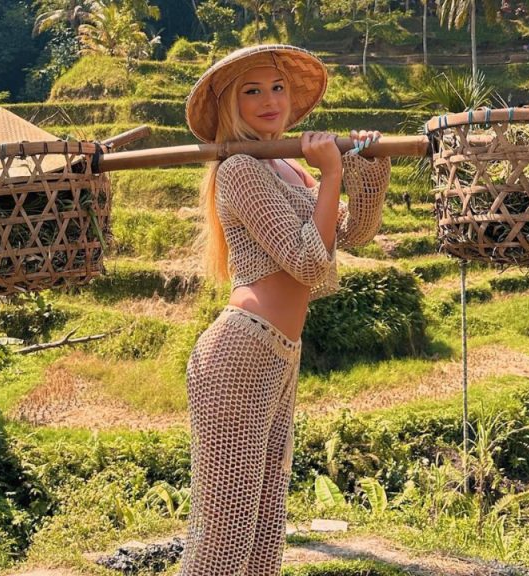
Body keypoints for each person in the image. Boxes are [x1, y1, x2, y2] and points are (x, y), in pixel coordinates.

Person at [180, 44, 391, 575]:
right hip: (238, 353)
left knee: (265, 522)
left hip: (279, 354)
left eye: (276, 87)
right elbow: (305, 262)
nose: (269, 100)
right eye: (251, 91)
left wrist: (367, 166)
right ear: (232, 105)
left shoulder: (292, 169)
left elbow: (354, 234)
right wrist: (334, 177)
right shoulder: (240, 170)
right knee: (225, 531)